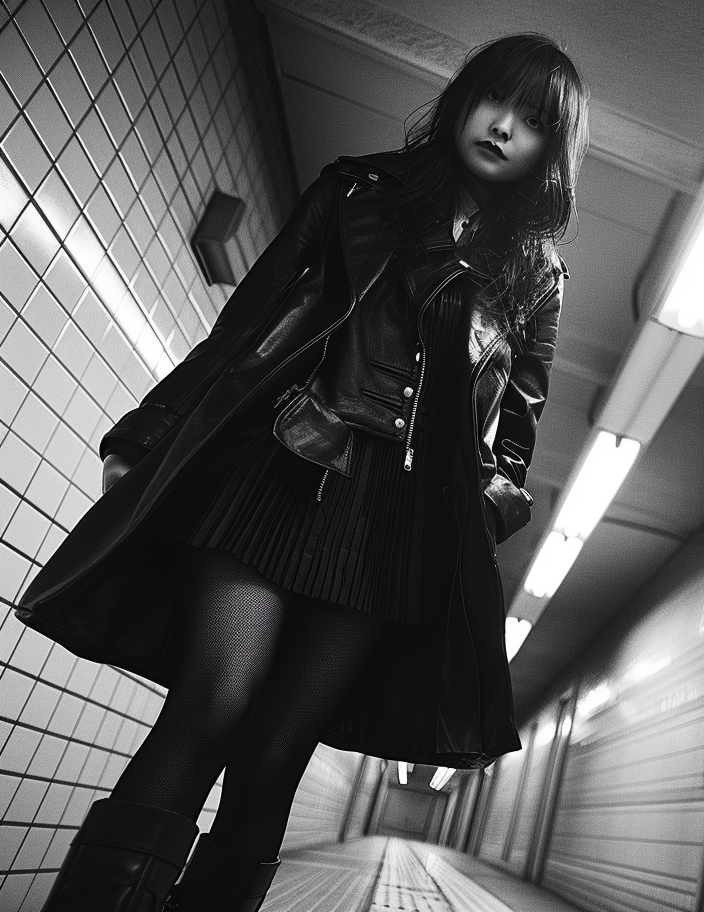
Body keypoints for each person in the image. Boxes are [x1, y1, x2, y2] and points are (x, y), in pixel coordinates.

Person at [15, 32, 588, 912]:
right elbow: (246, 323)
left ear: (553, 149)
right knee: (215, 700)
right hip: (279, 470)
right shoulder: (360, 189)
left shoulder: (535, 275)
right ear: (463, 99)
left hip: (391, 527)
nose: (505, 128)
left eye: (535, 122)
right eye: (493, 100)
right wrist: (150, 427)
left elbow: (514, 442)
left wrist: (471, 519)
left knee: (277, 753)